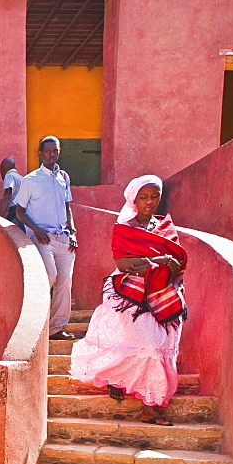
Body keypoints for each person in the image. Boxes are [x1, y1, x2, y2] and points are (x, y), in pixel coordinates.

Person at [69, 175, 187, 425]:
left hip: (162, 293)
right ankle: (133, 394)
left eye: (155, 196)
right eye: (144, 197)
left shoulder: (164, 227)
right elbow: (124, 264)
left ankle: (148, 404)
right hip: (129, 294)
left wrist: (160, 267)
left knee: (157, 344)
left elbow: (178, 263)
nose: (150, 202)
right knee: (141, 343)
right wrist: (162, 262)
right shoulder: (125, 227)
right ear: (134, 199)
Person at [14, 136, 76, 339]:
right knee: (48, 277)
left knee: (65, 283)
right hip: (43, 239)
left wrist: (73, 232)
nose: (52, 154)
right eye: (48, 151)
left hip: (64, 238)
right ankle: (34, 327)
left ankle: (57, 328)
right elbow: (19, 213)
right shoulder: (30, 181)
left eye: (55, 150)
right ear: (40, 154)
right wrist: (36, 229)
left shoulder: (63, 178)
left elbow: (68, 208)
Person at [0, 157, 25, 231]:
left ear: (3, 169)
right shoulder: (22, 179)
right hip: (24, 211)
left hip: (14, 211)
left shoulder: (9, 176)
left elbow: (7, 196)